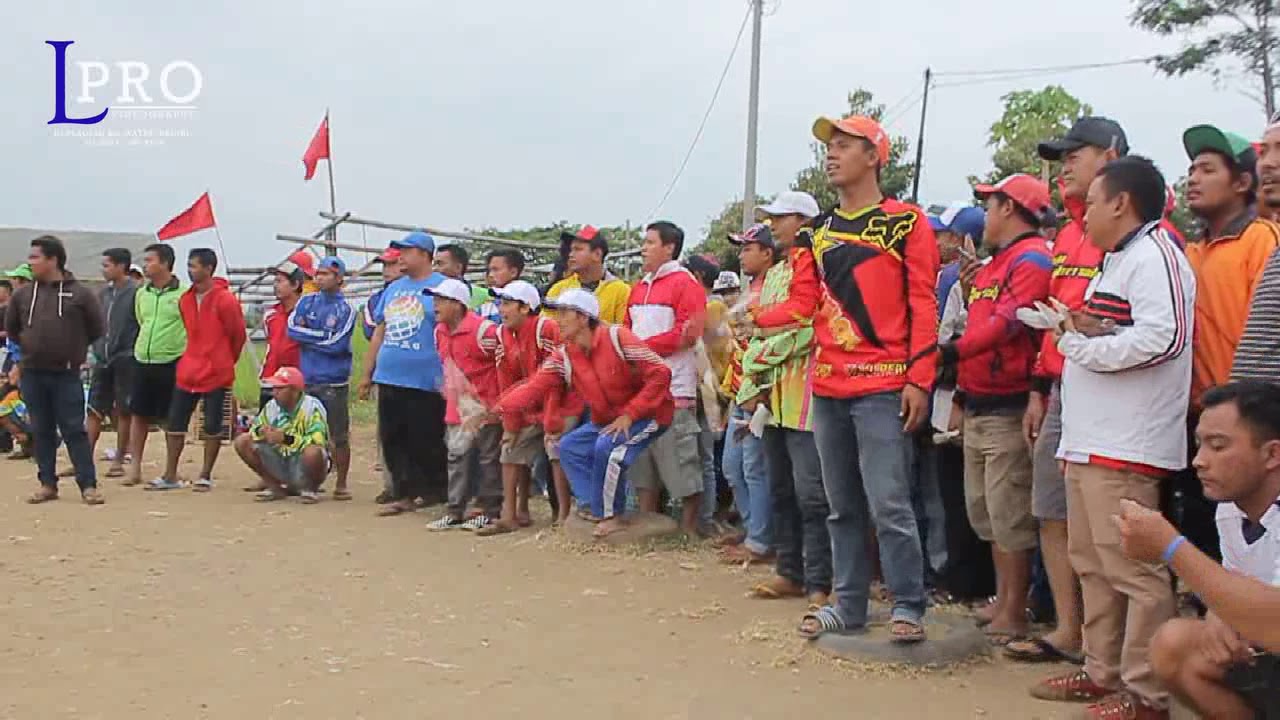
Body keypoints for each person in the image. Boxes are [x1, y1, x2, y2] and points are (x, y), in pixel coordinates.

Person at [1036, 156, 1194, 720]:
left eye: (1093, 203)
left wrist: (1080, 347)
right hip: (1092, 440)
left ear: (1121, 203)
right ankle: (1101, 671)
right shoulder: (1119, 260)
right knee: (1092, 561)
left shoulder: (1155, 255)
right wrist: (1080, 326)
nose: (1083, 214)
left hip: (1128, 443)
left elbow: (1165, 338)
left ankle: (1146, 694)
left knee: (1134, 572)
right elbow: (1125, 328)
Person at [793, 115, 938, 645]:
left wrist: (919, 379)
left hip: (883, 385)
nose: (831, 155)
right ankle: (848, 603)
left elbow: (925, 304)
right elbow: (804, 305)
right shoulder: (817, 232)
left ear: (874, 156)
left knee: (890, 501)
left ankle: (908, 601)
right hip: (828, 387)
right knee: (840, 504)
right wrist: (743, 319)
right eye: (829, 148)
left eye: (844, 146)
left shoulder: (906, 223)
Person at [1016, 117, 1131, 665]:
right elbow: (1052, 317)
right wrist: (1040, 390)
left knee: (1106, 523)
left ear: (1110, 155)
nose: (1065, 164)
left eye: (1074, 154)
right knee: (1054, 510)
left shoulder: (1143, 232)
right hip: (1063, 385)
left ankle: (1112, 651)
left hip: (1115, 393)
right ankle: (1069, 629)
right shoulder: (1065, 233)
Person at [937, 174, 1053, 646]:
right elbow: (979, 322)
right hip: (981, 397)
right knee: (984, 508)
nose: (984, 214)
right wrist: (962, 394)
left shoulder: (1031, 260)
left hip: (1009, 400)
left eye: (990, 205)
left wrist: (950, 353)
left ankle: (1014, 608)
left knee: (1010, 512)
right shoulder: (992, 266)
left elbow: (1007, 326)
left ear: (1009, 208)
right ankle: (1003, 599)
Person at [1137, 382, 1280, 719]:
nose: (1199, 461)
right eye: (1200, 444)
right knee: (1177, 644)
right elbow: (1235, 587)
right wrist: (1220, 613)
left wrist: (1171, 547)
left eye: (1218, 446)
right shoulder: (1231, 507)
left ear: (1272, 454)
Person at [495, 289, 673, 538]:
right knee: (569, 447)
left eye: (565, 313)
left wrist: (631, 414)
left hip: (650, 415)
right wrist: (497, 409)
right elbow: (534, 386)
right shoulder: (566, 354)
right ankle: (593, 506)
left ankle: (613, 515)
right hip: (608, 418)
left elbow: (660, 373)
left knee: (609, 449)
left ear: (582, 317)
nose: (559, 320)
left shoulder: (618, 337)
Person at [735, 191, 833, 607]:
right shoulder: (776, 273)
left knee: (813, 495)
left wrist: (760, 348)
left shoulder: (823, 268)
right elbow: (757, 330)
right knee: (781, 491)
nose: (772, 225)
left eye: (781, 217)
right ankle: (790, 572)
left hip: (811, 399)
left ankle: (821, 583)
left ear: (805, 221)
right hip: (774, 401)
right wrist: (756, 372)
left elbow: (810, 329)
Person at [4, 236, 104, 505]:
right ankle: (47, 483)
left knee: (74, 429)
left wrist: (73, 351)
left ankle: (88, 484)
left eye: (36, 257)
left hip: (67, 374)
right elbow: (13, 329)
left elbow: (96, 329)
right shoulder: (24, 295)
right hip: (33, 373)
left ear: (53, 260)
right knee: (42, 429)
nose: (30, 262)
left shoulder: (81, 294)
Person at [625, 221, 707, 535]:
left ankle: (688, 530)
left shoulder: (685, 284)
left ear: (669, 247)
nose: (643, 248)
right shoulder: (639, 286)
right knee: (643, 464)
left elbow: (688, 334)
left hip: (675, 388)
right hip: (641, 390)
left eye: (649, 242)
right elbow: (626, 328)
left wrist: (641, 350)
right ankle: (650, 526)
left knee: (681, 461)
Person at [358, 231, 448, 516]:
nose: (401, 257)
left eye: (407, 251)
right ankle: (403, 493)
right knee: (393, 437)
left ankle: (435, 490)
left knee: (426, 437)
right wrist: (367, 372)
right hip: (389, 375)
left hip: (426, 378)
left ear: (424, 254)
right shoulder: (394, 289)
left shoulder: (442, 287)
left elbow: (453, 329)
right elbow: (379, 331)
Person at [483, 280, 580, 535]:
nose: (501, 309)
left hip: (562, 402)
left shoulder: (545, 329)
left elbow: (556, 380)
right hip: (528, 403)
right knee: (511, 448)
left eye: (506, 304)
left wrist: (550, 420)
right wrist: (511, 424)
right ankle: (512, 513)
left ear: (525, 308)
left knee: (555, 449)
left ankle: (563, 514)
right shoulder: (503, 334)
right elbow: (507, 381)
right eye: (500, 303)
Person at [149, 248, 246, 492]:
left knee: (212, 425)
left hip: (216, 372)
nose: (190, 271)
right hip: (189, 370)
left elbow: (238, 336)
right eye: (189, 266)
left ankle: (205, 474)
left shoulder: (226, 300)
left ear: (209, 269)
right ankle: (170, 473)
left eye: (194, 266)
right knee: (175, 422)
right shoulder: (185, 299)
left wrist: (223, 360)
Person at [716, 224, 775, 563]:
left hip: (759, 396)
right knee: (734, 468)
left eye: (747, 248)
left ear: (767, 252)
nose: (741, 254)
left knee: (752, 468)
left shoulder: (774, 290)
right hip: (741, 392)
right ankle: (756, 530)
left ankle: (761, 540)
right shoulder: (753, 290)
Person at [423, 278, 502, 531]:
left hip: (485, 406)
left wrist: (496, 404)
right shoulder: (439, 332)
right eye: (435, 300)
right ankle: (455, 509)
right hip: (458, 406)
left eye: (441, 300)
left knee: (488, 458)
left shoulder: (485, 332)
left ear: (458, 304)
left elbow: (503, 364)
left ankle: (488, 509)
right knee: (457, 456)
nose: (435, 305)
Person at [287, 256, 355, 501]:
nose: (320, 278)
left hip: (334, 381)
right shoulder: (307, 301)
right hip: (308, 378)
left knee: (338, 435)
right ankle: (309, 481)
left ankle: (342, 483)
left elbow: (336, 343)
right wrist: (321, 335)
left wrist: (310, 336)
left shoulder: (346, 309)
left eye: (327, 274)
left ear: (339, 279)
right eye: (319, 273)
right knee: (306, 433)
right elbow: (292, 329)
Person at [124, 243, 186, 488]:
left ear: (165, 263)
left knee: (173, 418)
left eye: (149, 260)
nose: (145, 264)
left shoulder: (184, 294)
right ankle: (135, 468)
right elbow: (142, 321)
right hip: (143, 360)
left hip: (172, 362)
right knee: (138, 414)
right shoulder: (142, 293)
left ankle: (171, 470)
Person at [233, 366, 329, 504]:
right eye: (274, 388)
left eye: (280, 388)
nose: (275, 392)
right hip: (280, 460)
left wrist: (286, 439)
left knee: (313, 452)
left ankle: (309, 489)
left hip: (301, 464)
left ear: (295, 391)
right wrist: (262, 432)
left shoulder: (312, 408)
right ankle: (274, 487)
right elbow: (254, 429)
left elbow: (318, 441)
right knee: (242, 441)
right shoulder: (272, 406)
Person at [86, 248, 139, 479]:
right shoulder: (102, 294)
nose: (103, 269)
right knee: (94, 409)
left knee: (123, 410)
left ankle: (119, 459)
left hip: (125, 358)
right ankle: (83, 458)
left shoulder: (137, 294)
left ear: (121, 266)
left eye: (107, 265)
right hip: (102, 359)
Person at [362, 247, 402, 504]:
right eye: (384, 265)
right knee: (387, 431)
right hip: (386, 372)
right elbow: (371, 330)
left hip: (415, 373)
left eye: (392, 264)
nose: (387, 270)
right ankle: (392, 484)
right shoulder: (377, 299)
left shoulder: (423, 292)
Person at [547, 225, 630, 324]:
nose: (571, 254)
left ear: (597, 254)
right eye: (571, 250)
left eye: (578, 249)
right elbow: (547, 330)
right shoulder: (558, 289)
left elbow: (623, 332)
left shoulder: (621, 291)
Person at [257, 261, 304, 411]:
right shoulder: (270, 314)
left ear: (295, 285)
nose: (275, 286)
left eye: (280, 281)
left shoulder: (306, 313)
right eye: (274, 281)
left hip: (295, 381)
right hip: (270, 378)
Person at [433, 244, 490, 310]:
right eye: (434, 264)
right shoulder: (426, 293)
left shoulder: (484, 296)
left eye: (440, 264)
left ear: (458, 267)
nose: (434, 268)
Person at [478, 249, 525, 324]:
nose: (490, 275)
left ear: (513, 272)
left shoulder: (526, 305)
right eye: (490, 270)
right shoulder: (486, 307)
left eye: (496, 270)